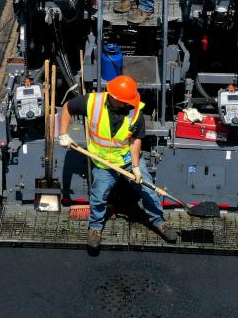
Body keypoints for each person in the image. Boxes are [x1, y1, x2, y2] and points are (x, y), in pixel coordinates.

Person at [55, 75, 177, 249]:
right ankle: (95, 228)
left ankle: (159, 221)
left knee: (148, 188)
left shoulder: (135, 113)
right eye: (125, 101)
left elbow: (135, 140)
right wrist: (63, 134)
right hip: (103, 162)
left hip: (127, 159)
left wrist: (136, 167)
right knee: (99, 194)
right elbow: (67, 108)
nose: (129, 104)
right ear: (114, 98)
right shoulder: (92, 102)